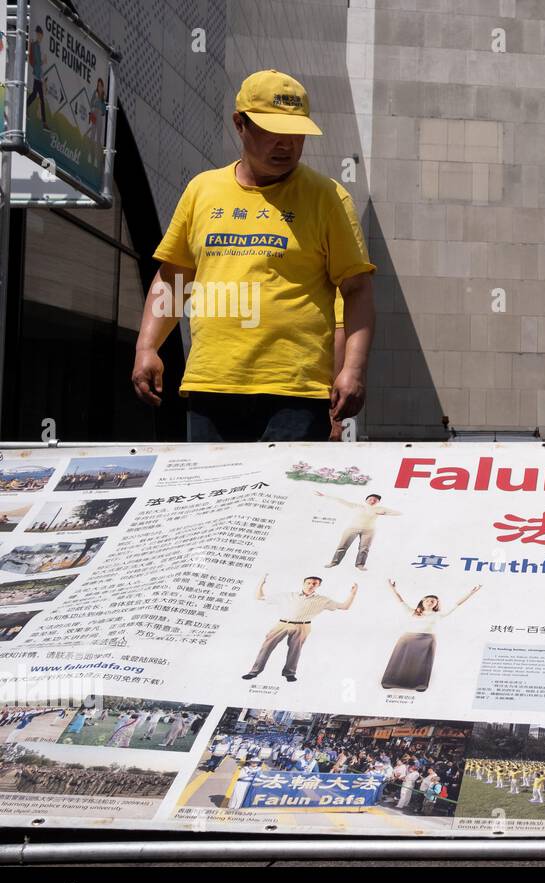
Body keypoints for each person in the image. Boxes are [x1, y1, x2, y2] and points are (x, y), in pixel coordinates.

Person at [131, 70, 375, 441]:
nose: (286, 144)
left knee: (286, 497)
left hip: (295, 390)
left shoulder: (327, 198)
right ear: (239, 124)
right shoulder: (202, 191)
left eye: (296, 133)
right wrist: (147, 346)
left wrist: (352, 370)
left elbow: (356, 289)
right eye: (272, 130)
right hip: (211, 383)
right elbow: (173, 277)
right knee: (210, 495)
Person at [242, 573, 357, 682]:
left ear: (318, 585)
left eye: (314, 583)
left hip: (303, 626)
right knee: (266, 647)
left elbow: (344, 607)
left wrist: (352, 594)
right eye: (309, 583)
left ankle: (290, 673)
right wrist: (262, 582)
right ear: (303, 583)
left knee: (295, 650)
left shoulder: (323, 600)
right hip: (282, 624)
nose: (311, 585)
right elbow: (259, 597)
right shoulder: (287, 595)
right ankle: (254, 672)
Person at [381, 581, 481, 692]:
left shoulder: (438, 615)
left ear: (436, 604)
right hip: (407, 639)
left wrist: (471, 593)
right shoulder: (411, 611)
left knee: (422, 663)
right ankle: (389, 682)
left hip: (427, 641)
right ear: (422, 602)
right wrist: (393, 588)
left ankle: (418, 684)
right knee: (400, 660)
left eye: (433, 601)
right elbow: (399, 599)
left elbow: (456, 604)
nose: (430, 602)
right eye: (428, 600)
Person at [316, 491, 402, 570]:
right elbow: (341, 500)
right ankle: (334, 562)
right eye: (371, 499)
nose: (372, 501)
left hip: (369, 530)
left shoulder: (380, 509)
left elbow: (398, 513)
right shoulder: (357, 505)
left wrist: (385, 513)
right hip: (352, 528)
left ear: (378, 502)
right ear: (366, 500)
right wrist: (325, 495)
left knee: (364, 548)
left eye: (375, 500)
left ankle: (360, 564)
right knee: (342, 546)